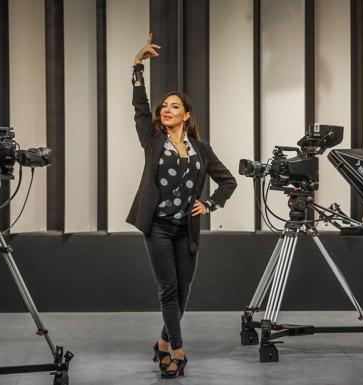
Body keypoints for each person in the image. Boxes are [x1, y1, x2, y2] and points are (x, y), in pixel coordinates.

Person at [126, 33, 237, 379]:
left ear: (186, 114)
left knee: (184, 292)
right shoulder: (153, 140)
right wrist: (136, 66)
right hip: (157, 226)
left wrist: (210, 204)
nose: (166, 110)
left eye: (174, 106)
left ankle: (161, 343)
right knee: (168, 290)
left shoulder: (201, 149)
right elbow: (140, 108)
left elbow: (229, 180)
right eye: (164, 106)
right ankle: (177, 350)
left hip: (185, 230)